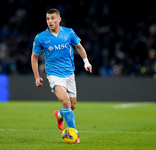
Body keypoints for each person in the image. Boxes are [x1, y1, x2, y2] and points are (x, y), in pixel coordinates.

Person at [31, 8, 92, 143]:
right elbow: (34, 57)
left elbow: (79, 47)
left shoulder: (69, 32)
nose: (50, 21)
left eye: (53, 18)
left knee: (72, 105)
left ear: (59, 19)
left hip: (69, 73)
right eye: (47, 19)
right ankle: (74, 133)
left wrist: (86, 62)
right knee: (65, 101)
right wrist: (36, 76)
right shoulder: (40, 37)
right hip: (54, 75)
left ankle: (59, 115)